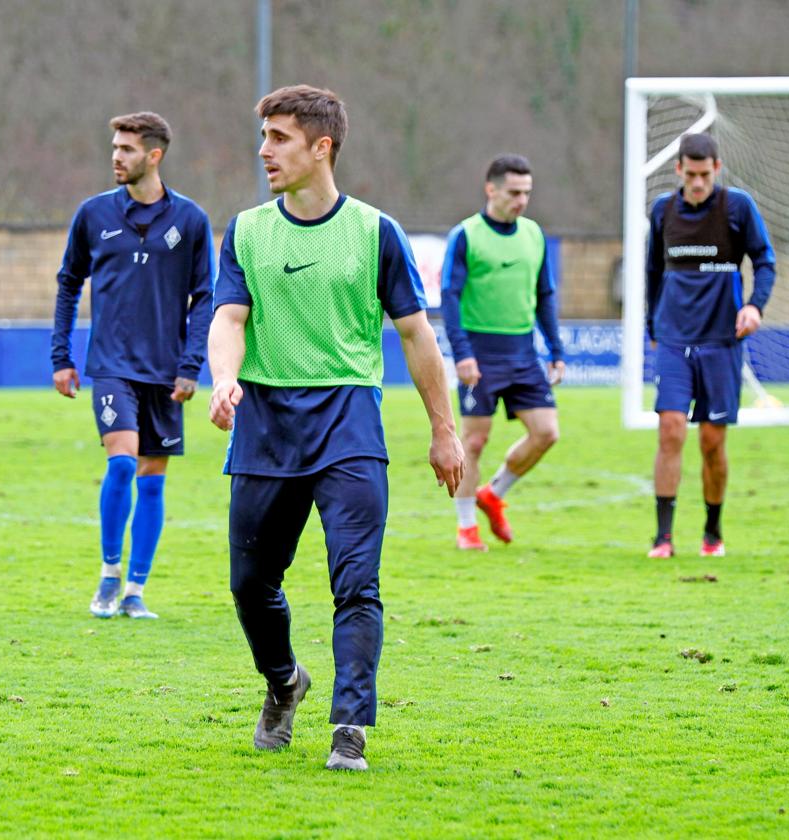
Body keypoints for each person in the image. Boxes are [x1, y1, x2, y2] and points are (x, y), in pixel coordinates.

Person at [208, 85, 463, 772]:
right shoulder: (248, 230)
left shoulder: (377, 232)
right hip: (263, 419)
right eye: (263, 137)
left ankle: (350, 725)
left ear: (322, 147)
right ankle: (285, 681)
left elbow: (417, 336)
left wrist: (444, 430)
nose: (265, 151)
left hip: (348, 419)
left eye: (280, 138)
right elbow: (229, 319)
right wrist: (225, 377)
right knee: (249, 583)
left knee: (356, 582)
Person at [51, 112, 214, 620]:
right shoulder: (93, 214)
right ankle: (107, 575)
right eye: (115, 148)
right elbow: (68, 282)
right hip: (111, 366)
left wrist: (191, 364)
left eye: (126, 149)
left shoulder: (190, 221)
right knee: (121, 461)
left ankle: (136, 590)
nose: (116, 157)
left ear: (154, 155)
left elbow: (205, 296)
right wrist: (61, 356)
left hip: (166, 373)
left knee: (153, 479)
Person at [645, 132, 775, 558]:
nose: (698, 182)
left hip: (722, 341)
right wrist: (652, 326)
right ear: (679, 169)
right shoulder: (663, 210)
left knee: (711, 441)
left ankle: (712, 532)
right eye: (691, 173)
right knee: (670, 430)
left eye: (705, 174)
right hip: (674, 337)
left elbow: (765, 261)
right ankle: (663, 537)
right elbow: (652, 272)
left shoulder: (737, 207)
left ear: (716, 169)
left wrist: (754, 306)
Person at [440, 155, 565, 551]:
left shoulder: (534, 235)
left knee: (547, 433)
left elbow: (544, 295)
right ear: (491, 189)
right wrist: (462, 354)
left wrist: (556, 350)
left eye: (527, 193)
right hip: (478, 351)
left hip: (523, 352)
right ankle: (465, 528)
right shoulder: (466, 235)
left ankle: (493, 494)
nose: (522, 200)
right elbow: (450, 296)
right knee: (474, 441)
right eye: (514, 192)